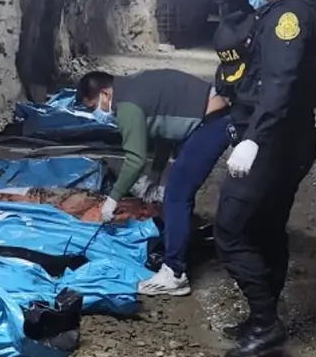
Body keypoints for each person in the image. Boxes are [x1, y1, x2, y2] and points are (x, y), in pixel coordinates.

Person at [214, 0, 316, 357]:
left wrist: (253, 138)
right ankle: (260, 317)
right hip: (293, 139)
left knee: (230, 229)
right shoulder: (314, 10)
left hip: (273, 142)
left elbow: (279, 84)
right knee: (266, 228)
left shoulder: (288, 17)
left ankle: (266, 326)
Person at [76, 67, 236, 296]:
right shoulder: (132, 86)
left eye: (93, 107)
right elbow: (164, 132)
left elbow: (135, 159)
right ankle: (177, 252)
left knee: (177, 196)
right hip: (209, 117)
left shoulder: (126, 106)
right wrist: (156, 177)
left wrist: (113, 199)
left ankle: (175, 273)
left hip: (213, 122)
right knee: (174, 191)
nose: (96, 114)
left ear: (105, 94)